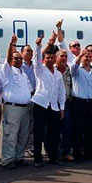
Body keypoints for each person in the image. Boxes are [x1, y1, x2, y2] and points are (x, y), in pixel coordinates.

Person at [31, 33, 67, 168]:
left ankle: (53, 157)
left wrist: (62, 107)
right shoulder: (39, 70)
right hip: (40, 104)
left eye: (52, 58)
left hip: (54, 107)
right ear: (44, 59)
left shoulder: (58, 74)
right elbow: (36, 57)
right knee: (39, 133)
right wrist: (38, 45)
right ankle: (38, 159)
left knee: (54, 134)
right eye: (48, 58)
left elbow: (61, 92)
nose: (50, 60)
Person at [1, 34, 34, 169]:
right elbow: (8, 58)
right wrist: (11, 45)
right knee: (11, 135)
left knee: (23, 135)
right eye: (16, 58)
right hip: (13, 108)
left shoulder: (23, 73)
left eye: (20, 58)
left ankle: (18, 157)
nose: (19, 60)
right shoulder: (8, 71)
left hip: (25, 108)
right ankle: (8, 160)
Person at [70, 46, 92, 163]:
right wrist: (79, 56)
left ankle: (89, 154)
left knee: (91, 130)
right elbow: (73, 68)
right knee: (78, 130)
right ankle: (77, 154)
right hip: (79, 102)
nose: (88, 58)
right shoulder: (77, 70)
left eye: (90, 56)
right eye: (86, 56)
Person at [55, 49, 74, 161]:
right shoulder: (51, 69)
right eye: (62, 56)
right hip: (53, 103)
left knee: (67, 129)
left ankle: (66, 152)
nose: (64, 58)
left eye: (66, 56)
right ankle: (53, 152)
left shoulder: (69, 71)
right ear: (56, 57)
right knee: (53, 129)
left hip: (66, 103)